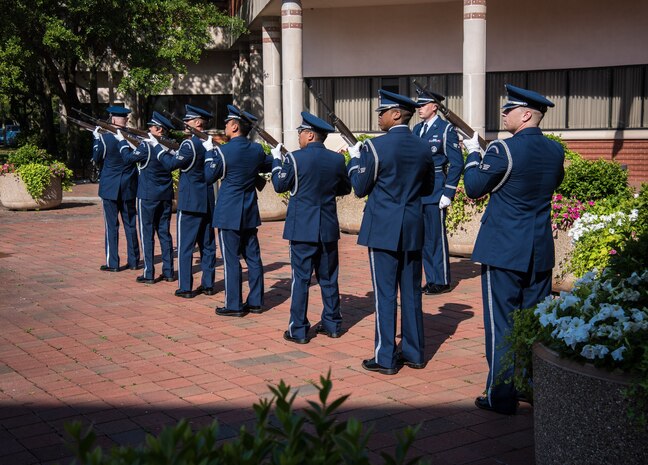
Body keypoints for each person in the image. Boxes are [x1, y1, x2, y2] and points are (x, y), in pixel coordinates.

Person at [463, 84, 564, 414]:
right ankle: (529, 386)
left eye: (508, 110)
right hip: (538, 249)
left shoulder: (501, 151)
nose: (503, 114)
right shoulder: (554, 151)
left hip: (504, 249)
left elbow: (475, 188)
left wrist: (473, 155)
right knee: (532, 323)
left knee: (503, 324)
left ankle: (500, 394)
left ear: (525, 115)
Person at [347, 90, 435, 374]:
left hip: (383, 227)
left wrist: (353, 163)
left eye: (382, 112)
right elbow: (429, 188)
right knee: (411, 292)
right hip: (411, 225)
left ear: (396, 114)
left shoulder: (375, 147)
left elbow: (360, 188)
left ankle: (385, 357)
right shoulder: (423, 147)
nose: (379, 117)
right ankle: (414, 352)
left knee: (385, 294)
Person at [271, 112, 352, 344]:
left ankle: (298, 329)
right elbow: (345, 188)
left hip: (302, 229)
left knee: (301, 279)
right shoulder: (336, 160)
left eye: (300, 133)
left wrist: (277, 161)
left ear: (309, 135)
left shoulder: (295, 159)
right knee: (328, 278)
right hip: (326, 226)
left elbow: (279, 185)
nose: (298, 138)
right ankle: (333, 324)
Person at [203, 105, 273, 317]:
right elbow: (267, 165)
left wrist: (209, 153)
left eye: (226, 122)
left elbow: (208, 177)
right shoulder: (257, 150)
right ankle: (256, 301)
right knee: (253, 257)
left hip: (228, 212)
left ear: (234, 126)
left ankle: (233, 304)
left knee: (231, 259)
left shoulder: (222, 151)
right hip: (249, 209)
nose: (224, 126)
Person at [158, 104, 216, 298]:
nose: (185, 123)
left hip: (190, 202)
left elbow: (171, 165)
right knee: (207, 246)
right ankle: (208, 285)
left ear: (197, 123)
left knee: (185, 247)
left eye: (188, 120)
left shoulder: (189, 144)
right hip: (206, 201)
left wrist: (159, 148)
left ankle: (185, 287)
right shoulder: (209, 143)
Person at [412, 89, 463, 295]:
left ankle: (441, 280)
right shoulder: (416, 130)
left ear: (434, 106)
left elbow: (457, 163)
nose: (419, 109)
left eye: (423, 105)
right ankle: (431, 278)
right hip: (418, 190)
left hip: (435, 190)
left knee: (436, 238)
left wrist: (448, 193)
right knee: (423, 238)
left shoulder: (446, 129)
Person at [116, 111, 176, 284]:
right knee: (164, 233)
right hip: (165, 195)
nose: (148, 129)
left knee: (147, 233)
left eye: (151, 127)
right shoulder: (170, 146)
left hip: (147, 196)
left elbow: (128, 159)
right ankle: (169, 271)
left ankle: (149, 272)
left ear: (158, 129)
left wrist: (122, 141)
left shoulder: (147, 146)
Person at [92, 106, 140, 272]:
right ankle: (134, 261)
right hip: (128, 187)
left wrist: (97, 139)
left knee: (111, 226)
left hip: (110, 188)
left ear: (112, 120)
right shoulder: (132, 138)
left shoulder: (105, 139)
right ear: (125, 120)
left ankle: (113, 263)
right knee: (130, 225)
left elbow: (96, 158)